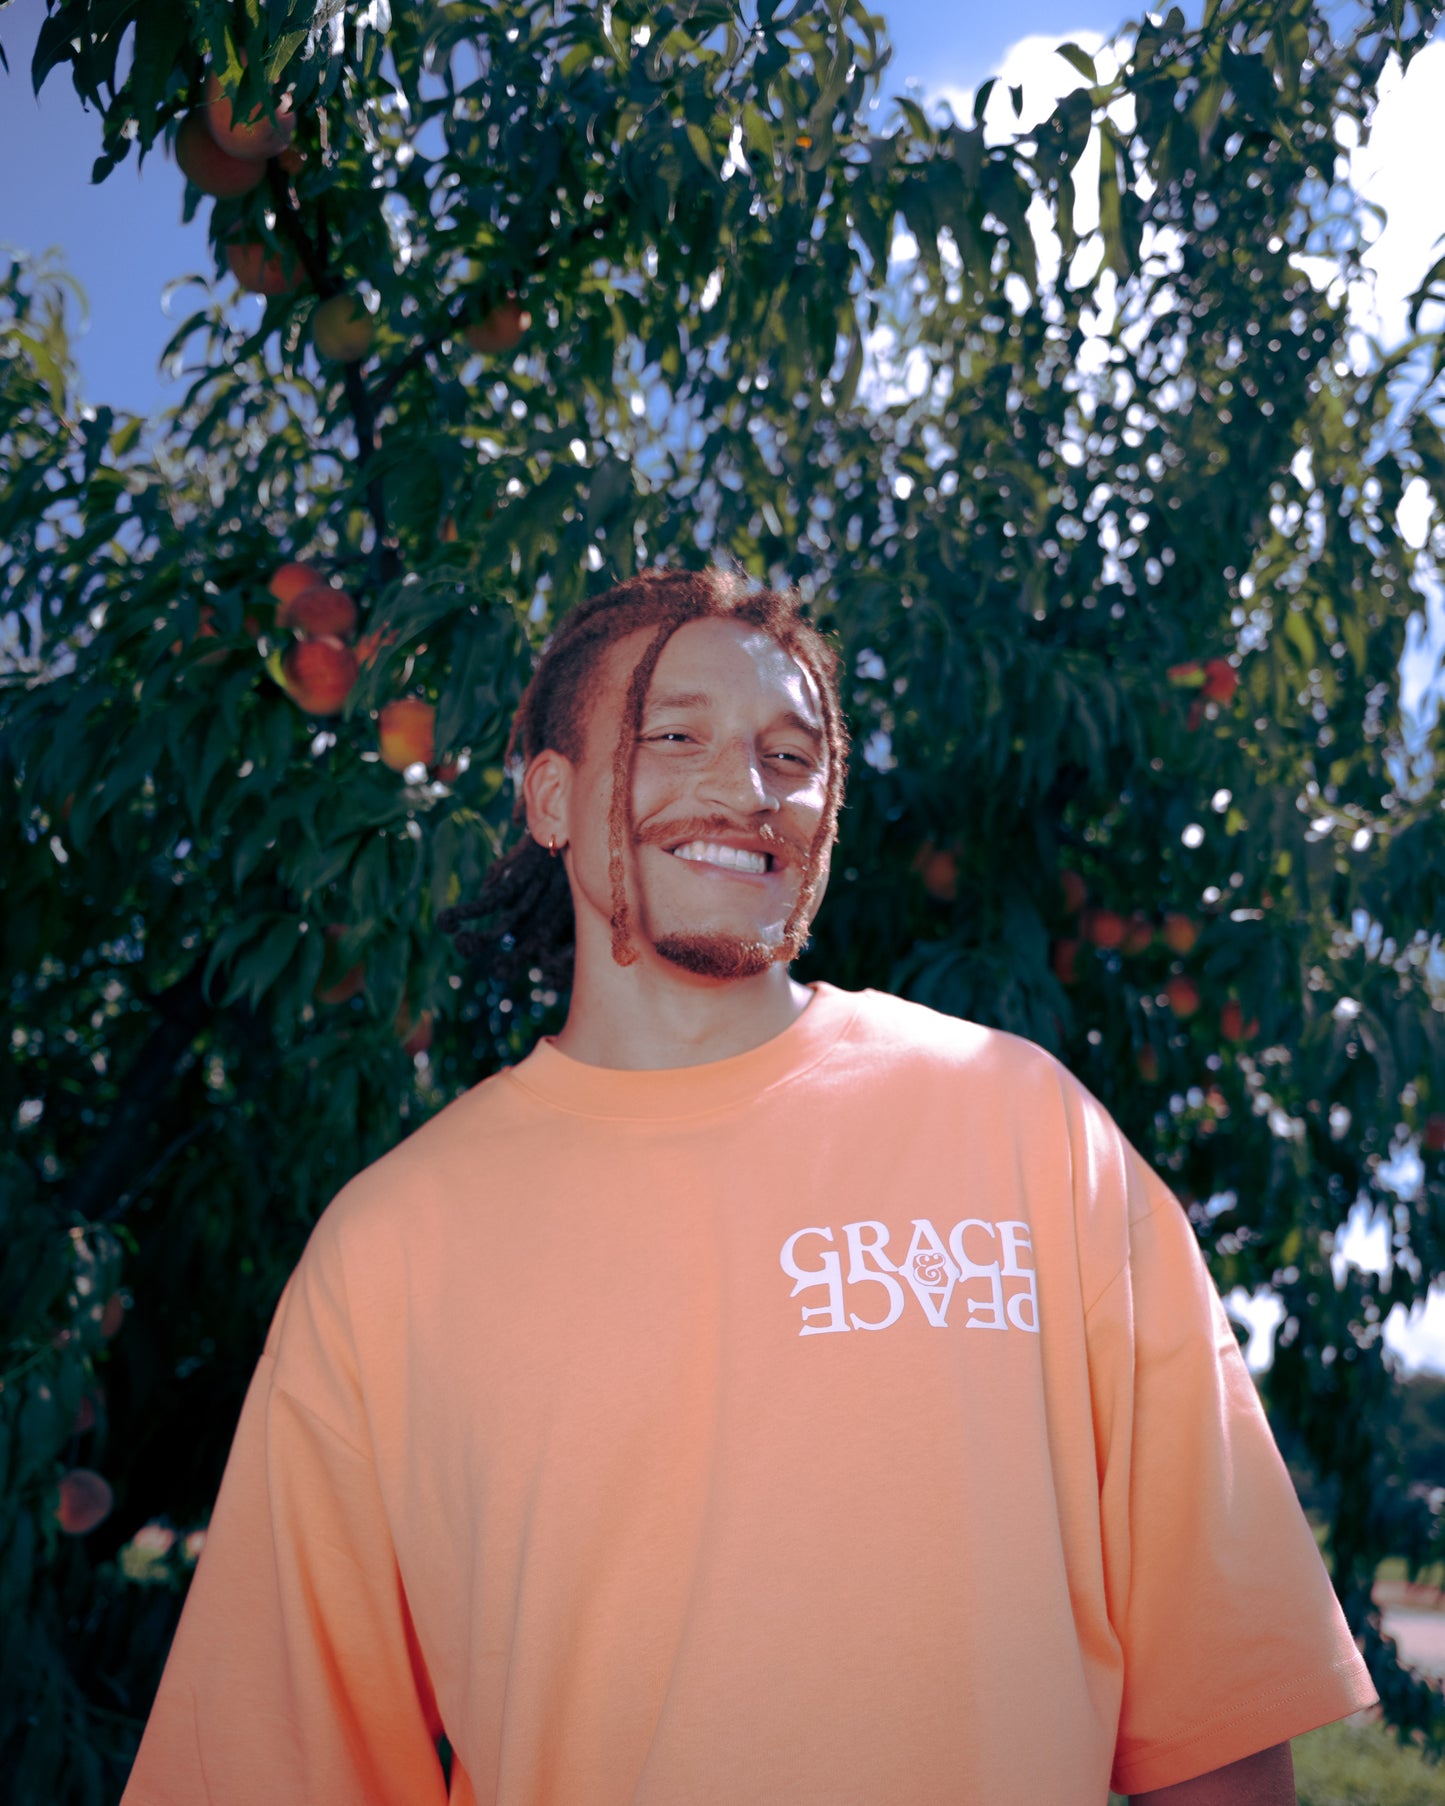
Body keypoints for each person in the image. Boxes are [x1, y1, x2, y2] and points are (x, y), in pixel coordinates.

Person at [122, 567, 1375, 1805]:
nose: (748, 787)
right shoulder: (389, 1247)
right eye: (675, 734)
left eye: (792, 753)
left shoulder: (1024, 1125)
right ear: (549, 799)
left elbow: (1216, 1711)